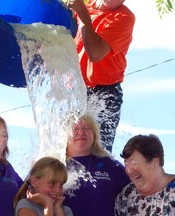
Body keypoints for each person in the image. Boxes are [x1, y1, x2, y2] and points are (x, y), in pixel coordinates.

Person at [67, 0, 135, 152]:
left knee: (98, 151)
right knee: (66, 150)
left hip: (105, 93)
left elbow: (95, 53)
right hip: (75, 90)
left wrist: (84, 17)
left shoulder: (124, 17)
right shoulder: (84, 5)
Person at [63, 113, 130, 216]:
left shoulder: (110, 165)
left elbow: (138, 188)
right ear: (64, 136)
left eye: (86, 128)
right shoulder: (54, 165)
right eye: (74, 128)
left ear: (94, 135)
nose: (81, 132)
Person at [115, 134, 175, 215]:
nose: (129, 170)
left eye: (134, 163)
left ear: (155, 162)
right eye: (126, 164)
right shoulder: (126, 195)